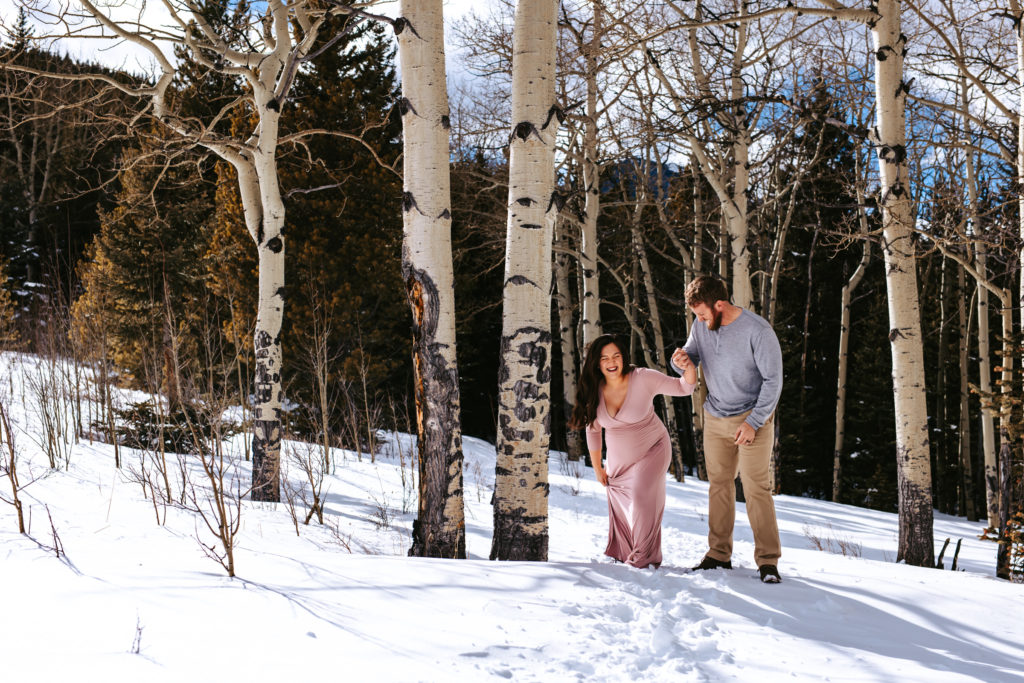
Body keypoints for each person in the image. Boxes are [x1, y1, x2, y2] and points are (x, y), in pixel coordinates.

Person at [671, 275, 784, 583]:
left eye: (703, 313)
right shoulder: (701, 326)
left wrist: (753, 422)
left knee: (755, 488)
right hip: (716, 418)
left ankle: (768, 561)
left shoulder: (758, 331)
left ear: (720, 305)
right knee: (719, 485)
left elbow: (774, 382)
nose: (699, 320)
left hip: (752, 420)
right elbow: (691, 356)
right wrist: (679, 359)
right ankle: (718, 554)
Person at [570, 334, 696, 568]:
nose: (611, 361)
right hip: (618, 460)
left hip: (654, 448)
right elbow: (593, 430)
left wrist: (688, 367)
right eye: (604, 357)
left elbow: (684, 387)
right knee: (617, 501)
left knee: (640, 496)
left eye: (616, 355)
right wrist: (597, 467)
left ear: (624, 357)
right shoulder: (594, 388)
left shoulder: (642, 378)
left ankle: (644, 557)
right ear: (597, 363)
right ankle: (624, 550)